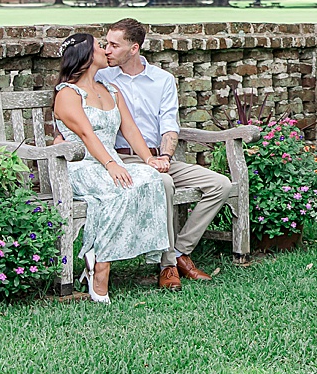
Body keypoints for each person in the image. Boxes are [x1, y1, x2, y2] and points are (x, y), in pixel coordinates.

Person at [98, 17, 232, 286]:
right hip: (122, 159)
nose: (106, 50)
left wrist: (165, 157)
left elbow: (170, 126)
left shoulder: (162, 80)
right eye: (105, 44)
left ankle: (180, 250)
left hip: (157, 156)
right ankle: (168, 265)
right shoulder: (102, 78)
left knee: (220, 184)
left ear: (134, 48)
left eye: (113, 45)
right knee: (165, 183)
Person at [51, 32, 175, 303]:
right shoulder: (68, 94)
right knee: (118, 190)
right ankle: (101, 267)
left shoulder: (110, 91)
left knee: (150, 180)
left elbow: (129, 129)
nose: (106, 51)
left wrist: (148, 160)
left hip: (110, 164)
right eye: (99, 46)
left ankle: (98, 253)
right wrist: (110, 164)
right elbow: (86, 135)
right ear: (85, 56)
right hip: (78, 166)